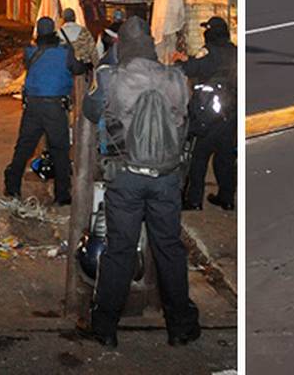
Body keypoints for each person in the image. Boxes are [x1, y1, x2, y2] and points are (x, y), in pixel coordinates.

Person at [81, 17, 200, 348]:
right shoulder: (176, 78)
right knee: (169, 250)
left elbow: (90, 111)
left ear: (122, 46)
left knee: (119, 249)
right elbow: (185, 120)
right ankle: (179, 326)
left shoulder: (110, 77)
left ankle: (105, 326)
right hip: (166, 178)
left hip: (126, 177)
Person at [3, 16, 89, 205]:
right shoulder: (65, 53)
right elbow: (79, 69)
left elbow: (35, 67)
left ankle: (12, 187)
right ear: (54, 32)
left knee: (24, 147)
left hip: (32, 106)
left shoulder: (30, 52)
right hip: (55, 107)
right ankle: (62, 195)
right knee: (60, 150)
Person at [179, 17, 236, 211]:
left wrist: (182, 63)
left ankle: (194, 200)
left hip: (208, 116)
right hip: (230, 114)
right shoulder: (234, 52)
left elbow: (188, 69)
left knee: (199, 158)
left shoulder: (209, 53)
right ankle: (227, 198)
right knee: (225, 158)